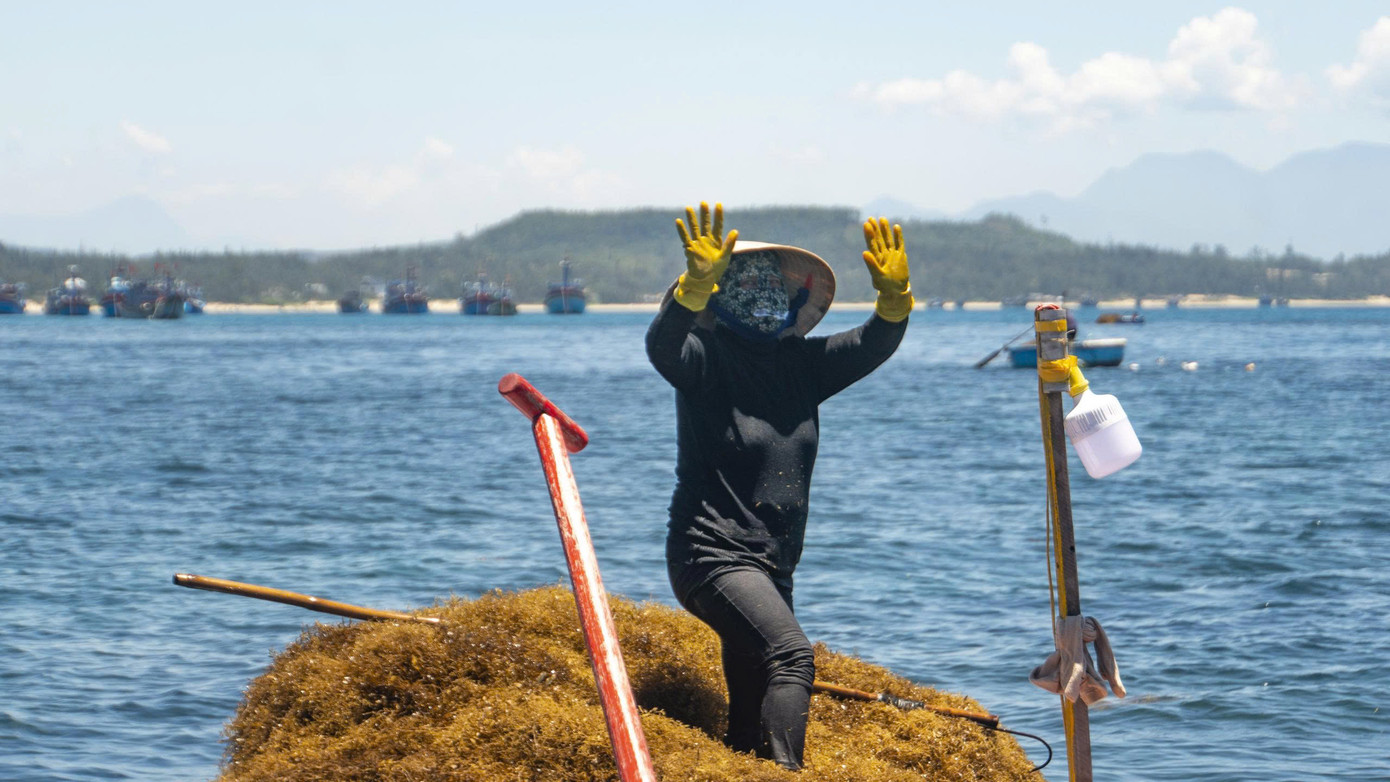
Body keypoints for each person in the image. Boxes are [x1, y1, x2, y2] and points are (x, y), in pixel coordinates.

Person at [645, 201, 913, 770]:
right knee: (792, 657)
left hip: (773, 565)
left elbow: (874, 342)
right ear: (720, 296)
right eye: (746, 284)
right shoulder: (705, 360)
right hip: (709, 554)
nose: (763, 294)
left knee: (748, 720)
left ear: (793, 297)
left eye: (772, 285)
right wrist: (692, 289)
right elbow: (663, 347)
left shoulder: (804, 365)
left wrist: (895, 300)